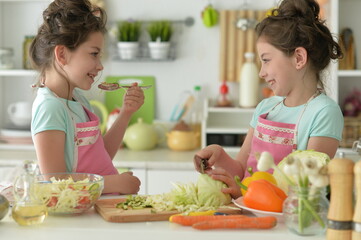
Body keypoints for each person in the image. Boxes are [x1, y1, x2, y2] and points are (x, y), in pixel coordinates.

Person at [194, 0, 344, 199]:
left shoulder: (323, 112)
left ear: (299, 58)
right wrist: (219, 155)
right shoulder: (266, 107)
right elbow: (241, 171)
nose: (261, 73)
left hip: (286, 224)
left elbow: (306, 189)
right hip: (250, 214)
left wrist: (248, 193)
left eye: (266, 60)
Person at [30, 0, 144, 194]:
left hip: (96, 207)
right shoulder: (50, 108)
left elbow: (102, 155)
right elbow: (54, 180)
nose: (100, 66)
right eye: (94, 54)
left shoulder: (78, 100)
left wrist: (126, 114)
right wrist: (113, 184)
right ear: (62, 54)